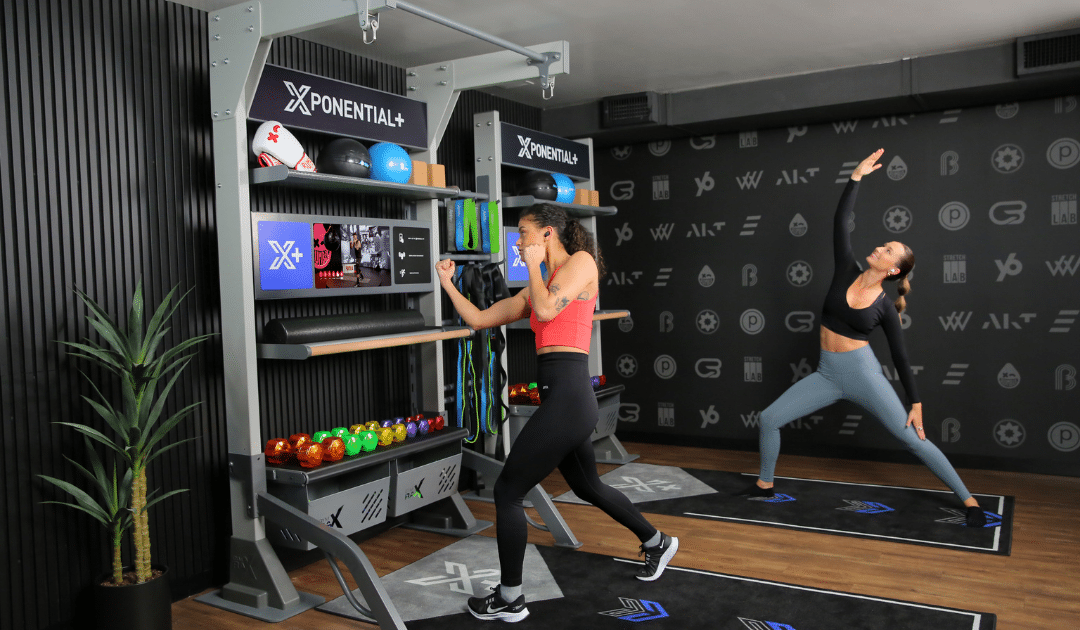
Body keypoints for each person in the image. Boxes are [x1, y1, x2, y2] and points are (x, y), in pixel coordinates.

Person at [436, 204, 679, 623]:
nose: (518, 241)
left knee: (508, 491)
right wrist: (447, 283)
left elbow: (548, 311)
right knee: (588, 487)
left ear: (547, 234)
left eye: (524, 233)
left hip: (569, 397)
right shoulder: (537, 287)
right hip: (561, 401)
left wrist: (533, 269)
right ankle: (656, 541)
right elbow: (478, 320)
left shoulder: (580, 263)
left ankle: (510, 598)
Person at [740, 149, 985, 527]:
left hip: (863, 376)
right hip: (826, 373)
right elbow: (840, 222)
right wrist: (855, 176)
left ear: (894, 268)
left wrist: (915, 404)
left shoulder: (885, 307)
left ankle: (968, 500)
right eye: (884, 243)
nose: (880, 247)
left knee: (912, 440)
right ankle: (764, 484)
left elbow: (900, 357)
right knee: (769, 418)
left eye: (888, 250)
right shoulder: (845, 270)